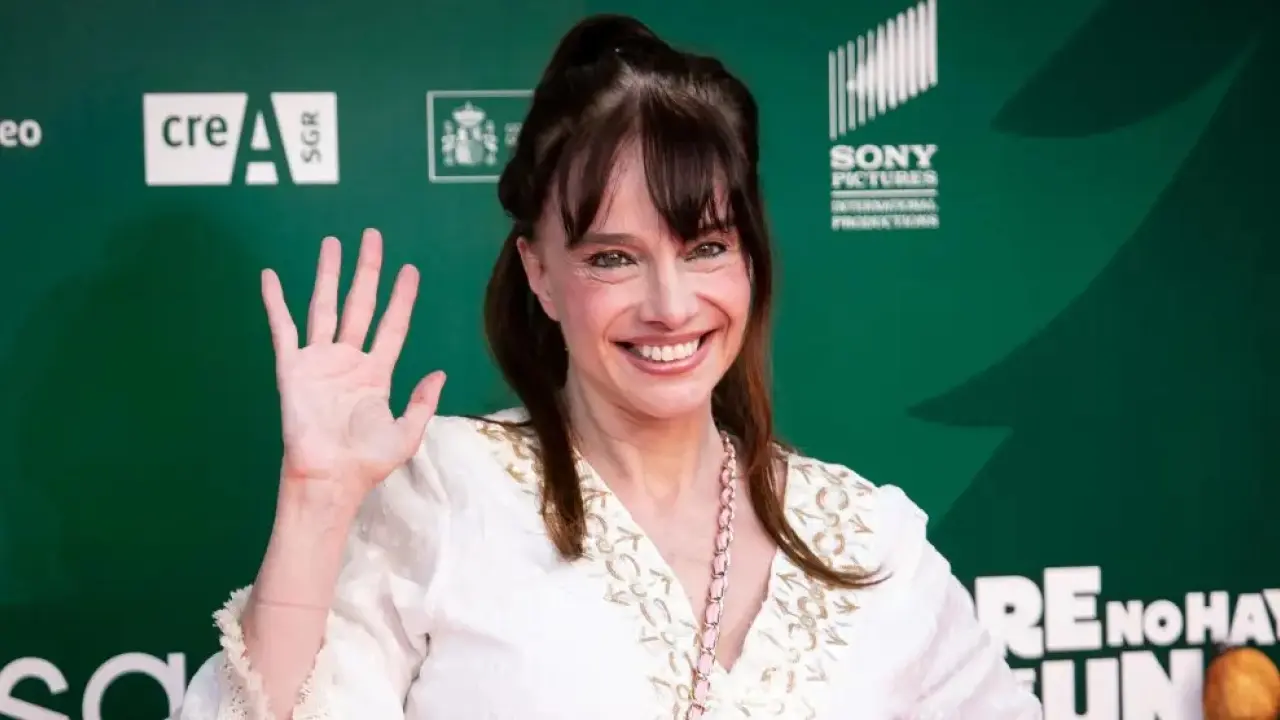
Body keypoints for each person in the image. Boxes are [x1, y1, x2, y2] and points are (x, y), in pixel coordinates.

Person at [177, 13, 1043, 720]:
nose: (670, 305)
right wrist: (316, 502)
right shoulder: (442, 492)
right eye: (613, 259)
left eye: (705, 247)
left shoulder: (867, 538)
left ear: (750, 259)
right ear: (539, 273)